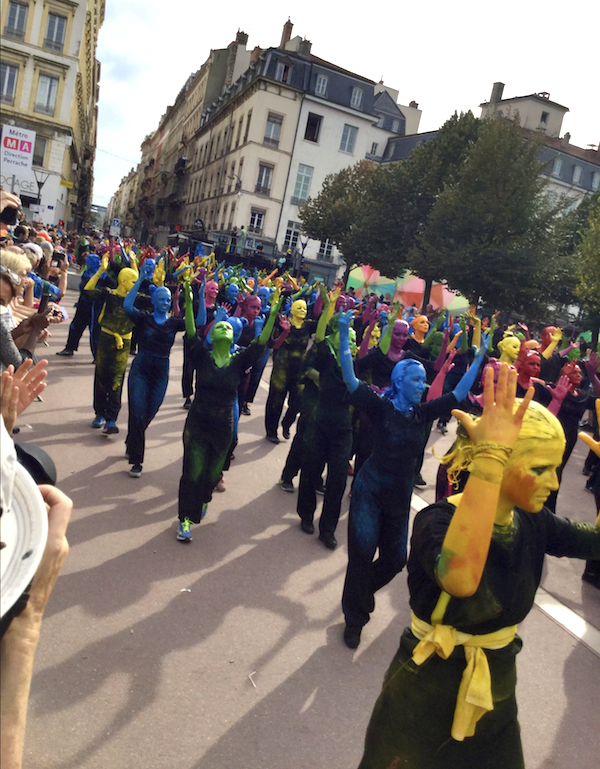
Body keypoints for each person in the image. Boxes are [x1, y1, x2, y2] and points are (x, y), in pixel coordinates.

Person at [357, 364, 600, 769]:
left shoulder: (533, 521)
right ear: (500, 460)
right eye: (540, 469)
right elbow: (461, 578)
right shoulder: (436, 521)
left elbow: (594, 542)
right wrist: (489, 458)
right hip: (422, 695)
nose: (555, 484)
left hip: (495, 696)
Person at [337, 309, 487, 649]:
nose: (422, 386)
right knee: (361, 556)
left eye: (423, 381)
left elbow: (459, 394)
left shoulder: (423, 413)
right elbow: (349, 379)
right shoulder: (380, 407)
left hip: (398, 498)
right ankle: (355, 618)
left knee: (395, 560)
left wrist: (478, 360)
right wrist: (346, 331)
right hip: (370, 492)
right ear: (400, 381)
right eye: (416, 380)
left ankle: (359, 593)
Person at [176, 287, 283, 542]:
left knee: (213, 474)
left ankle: (205, 497)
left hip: (223, 425)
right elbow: (191, 331)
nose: (224, 328)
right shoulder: (202, 356)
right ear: (212, 335)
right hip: (198, 423)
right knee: (192, 472)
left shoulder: (239, 360)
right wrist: (191, 303)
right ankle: (185, 520)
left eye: (228, 327)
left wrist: (273, 315)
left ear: (234, 336)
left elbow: (260, 344)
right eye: (219, 326)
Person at [122, 263, 191, 477]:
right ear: (153, 300)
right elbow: (126, 306)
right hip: (141, 368)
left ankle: (132, 438)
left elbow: (196, 322)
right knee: (138, 411)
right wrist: (141, 280)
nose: (165, 302)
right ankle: (137, 462)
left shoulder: (173, 323)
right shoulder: (144, 318)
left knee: (149, 413)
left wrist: (188, 299)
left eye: (168, 300)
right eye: (161, 299)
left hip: (161, 370)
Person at [85, 254, 137, 434]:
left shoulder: (136, 300)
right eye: (133, 282)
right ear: (123, 281)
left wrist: (137, 266)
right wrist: (101, 269)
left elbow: (157, 300)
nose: (135, 285)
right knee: (101, 376)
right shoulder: (109, 294)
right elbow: (88, 290)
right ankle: (99, 413)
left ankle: (111, 419)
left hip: (125, 343)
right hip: (106, 340)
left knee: (117, 379)